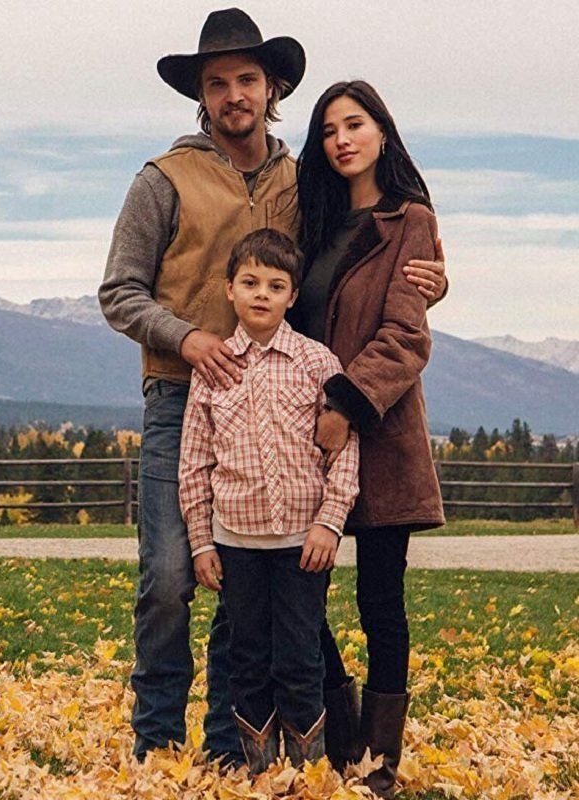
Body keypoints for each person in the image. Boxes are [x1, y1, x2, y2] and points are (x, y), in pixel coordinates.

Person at [99, 6, 446, 766]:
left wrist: (431, 280)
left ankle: (238, 746)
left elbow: (355, 263)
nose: (234, 94)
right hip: (183, 395)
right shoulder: (164, 179)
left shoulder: (302, 181)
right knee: (168, 578)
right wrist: (188, 339)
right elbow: (119, 292)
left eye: (247, 79)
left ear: (272, 88)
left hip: (292, 402)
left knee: (265, 584)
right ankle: (157, 743)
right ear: (201, 93)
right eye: (217, 82)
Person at [294, 81, 445, 798]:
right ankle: (340, 729)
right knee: (302, 595)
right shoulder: (312, 223)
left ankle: (380, 758)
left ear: (383, 131)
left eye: (355, 124)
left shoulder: (410, 221)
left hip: (376, 433)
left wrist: (347, 405)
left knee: (380, 600)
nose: (341, 139)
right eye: (328, 130)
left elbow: (406, 334)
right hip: (308, 440)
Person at [179, 228, 359, 774]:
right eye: (250, 282)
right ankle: (257, 772)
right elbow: (195, 463)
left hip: (303, 544)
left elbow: (346, 451)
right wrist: (200, 542)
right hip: (235, 544)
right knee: (247, 659)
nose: (262, 294)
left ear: (292, 295)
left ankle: (307, 772)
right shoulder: (212, 369)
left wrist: (330, 522)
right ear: (229, 289)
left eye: (275, 285)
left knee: (300, 657)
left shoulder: (317, 362)